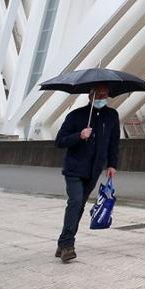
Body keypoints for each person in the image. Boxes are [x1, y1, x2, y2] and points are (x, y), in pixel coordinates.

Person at [54, 85, 119, 263]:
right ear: (90, 96)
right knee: (75, 202)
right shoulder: (76, 115)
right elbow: (59, 141)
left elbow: (114, 142)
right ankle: (68, 245)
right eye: (98, 95)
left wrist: (112, 164)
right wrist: (79, 136)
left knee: (80, 205)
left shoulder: (112, 116)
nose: (101, 98)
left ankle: (63, 241)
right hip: (74, 168)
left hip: (94, 170)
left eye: (105, 95)